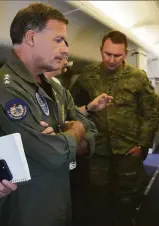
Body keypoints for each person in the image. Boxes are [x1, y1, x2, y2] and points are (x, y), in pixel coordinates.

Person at [0, 3, 97, 226]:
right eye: (58, 40)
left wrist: (69, 136)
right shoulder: (7, 88)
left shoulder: (53, 87)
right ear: (31, 38)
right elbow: (53, 154)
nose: (65, 49)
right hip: (27, 210)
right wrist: (76, 130)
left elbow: (92, 134)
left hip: (59, 201)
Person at [70, 30, 159, 226]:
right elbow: (72, 107)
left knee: (126, 198)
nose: (111, 60)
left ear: (125, 54)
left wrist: (142, 145)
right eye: (107, 54)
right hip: (98, 149)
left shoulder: (138, 77)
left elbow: (151, 113)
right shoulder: (88, 75)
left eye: (117, 55)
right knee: (97, 196)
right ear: (101, 50)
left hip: (128, 149)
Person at [44, 42, 113, 226]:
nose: (66, 63)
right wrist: (74, 129)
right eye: (63, 57)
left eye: (67, 58)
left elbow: (70, 114)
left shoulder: (57, 85)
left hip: (66, 158)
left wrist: (89, 108)